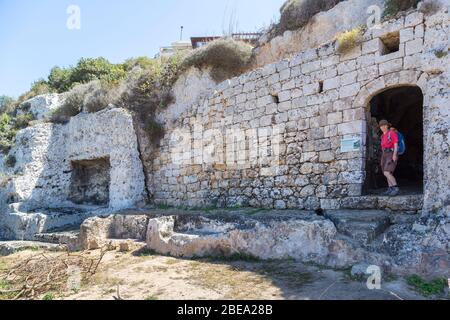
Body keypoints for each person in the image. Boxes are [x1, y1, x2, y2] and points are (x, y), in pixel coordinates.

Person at [379, 120, 400, 196]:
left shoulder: (391, 133)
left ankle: (395, 188)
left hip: (391, 153)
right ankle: (390, 188)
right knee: (386, 172)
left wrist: (394, 154)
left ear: (387, 126)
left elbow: (395, 144)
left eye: (384, 125)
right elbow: (382, 147)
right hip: (384, 154)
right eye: (381, 126)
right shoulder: (382, 136)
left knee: (387, 172)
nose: (383, 127)